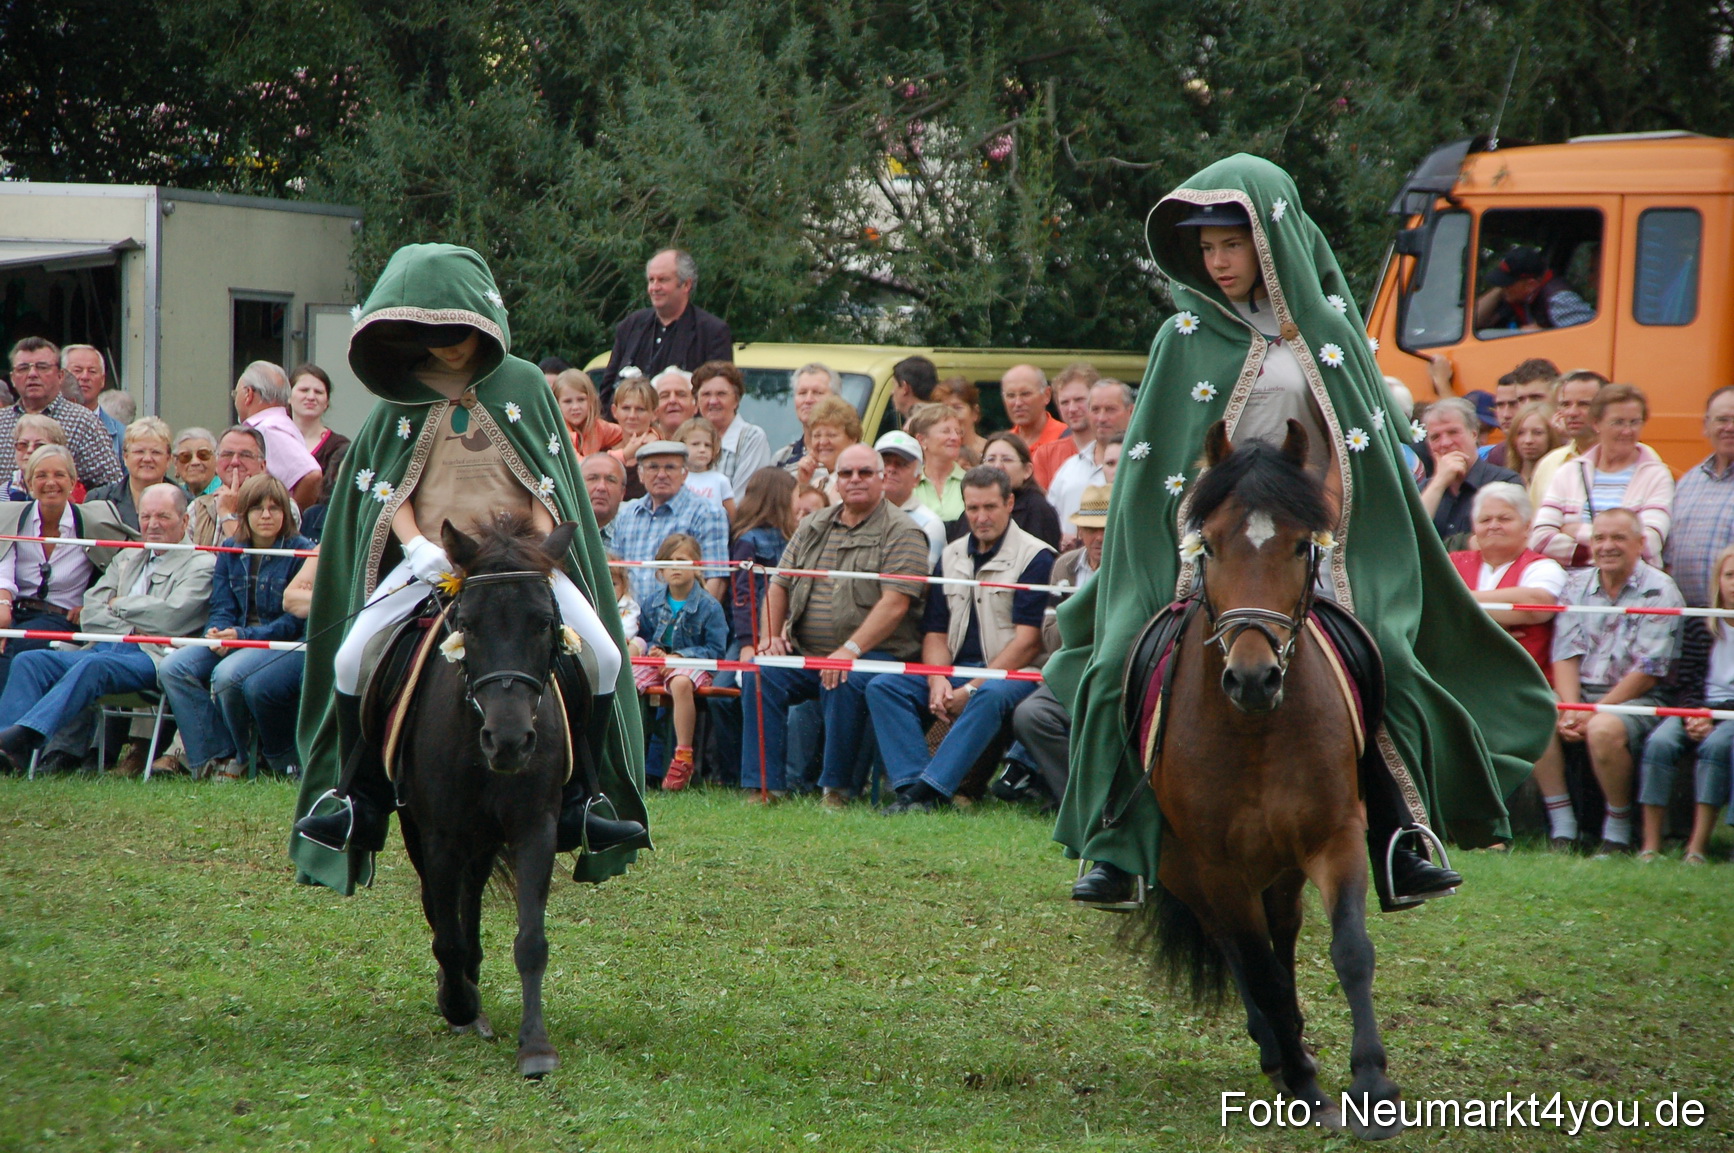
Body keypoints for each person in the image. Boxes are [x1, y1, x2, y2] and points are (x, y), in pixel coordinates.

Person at [1053, 157, 1554, 911]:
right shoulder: (1180, 336)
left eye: (1232, 244)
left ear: (1270, 237)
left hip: (1313, 539)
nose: (1217, 262)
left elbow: (1359, 450)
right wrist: (1195, 537)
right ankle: (1115, 847)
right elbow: (1158, 458)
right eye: (1208, 248)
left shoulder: (1328, 333)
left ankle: (1400, 838)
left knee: (1386, 655)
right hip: (1205, 541)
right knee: (1120, 658)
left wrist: (1323, 525)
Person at [291, 242, 645, 896]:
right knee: (349, 659)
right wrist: (418, 548)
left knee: (605, 655)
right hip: (431, 562)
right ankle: (355, 799)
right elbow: (382, 488)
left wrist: (538, 554)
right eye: (431, 331)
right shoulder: (398, 392)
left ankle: (587, 802)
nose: (449, 345)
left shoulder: (524, 385)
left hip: (519, 566)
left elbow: (549, 485)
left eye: (459, 329)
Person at [741, 443, 929, 802]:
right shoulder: (813, 524)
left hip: (877, 654)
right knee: (759, 670)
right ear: (836, 482)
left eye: (864, 473)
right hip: (808, 651)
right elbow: (779, 583)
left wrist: (849, 650)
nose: (854, 480)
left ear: (881, 478)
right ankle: (763, 787)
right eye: (846, 473)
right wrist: (770, 637)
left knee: (842, 676)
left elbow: (896, 603)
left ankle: (837, 790)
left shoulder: (902, 531)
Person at [868, 466, 1054, 812]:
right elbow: (936, 632)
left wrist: (969, 688)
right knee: (883, 686)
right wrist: (937, 679)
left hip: (1017, 673)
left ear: (1010, 503)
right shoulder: (951, 555)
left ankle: (932, 791)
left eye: (990, 507)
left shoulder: (1037, 557)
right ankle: (911, 786)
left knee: (987, 695)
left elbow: (1029, 642)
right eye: (972, 508)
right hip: (956, 668)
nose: (981, 517)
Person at [0, 484, 213, 773]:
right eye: (146, 517)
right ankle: (8, 753)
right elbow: (91, 608)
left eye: (163, 517)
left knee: (94, 666)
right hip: (102, 646)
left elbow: (171, 617)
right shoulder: (128, 556)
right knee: (30, 661)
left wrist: (119, 604)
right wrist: (133, 616)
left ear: (184, 520)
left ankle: (24, 734)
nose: (152, 525)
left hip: (150, 656)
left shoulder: (201, 563)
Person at [155, 474, 314, 781]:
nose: (266, 515)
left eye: (274, 508)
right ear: (243, 514)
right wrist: (216, 631)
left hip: (276, 642)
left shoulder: (301, 550)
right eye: (257, 508)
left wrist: (242, 636)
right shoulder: (231, 548)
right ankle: (215, 755)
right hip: (233, 636)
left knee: (227, 676)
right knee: (173, 667)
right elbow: (221, 605)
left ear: (286, 512)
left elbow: (293, 622)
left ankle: (242, 758)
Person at [1447, 482, 1575, 847]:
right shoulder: (1453, 563)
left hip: (1526, 679)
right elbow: (1433, 606)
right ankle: (1475, 825)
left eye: (1505, 518)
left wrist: (1464, 603)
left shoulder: (1542, 566)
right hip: (1460, 680)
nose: (1493, 525)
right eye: (1485, 519)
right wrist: (1499, 615)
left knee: (1533, 714)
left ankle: (1562, 819)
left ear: (1526, 525)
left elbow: (1534, 605)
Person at [1553, 508, 1684, 856]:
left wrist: (1594, 711)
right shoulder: (1574, 584)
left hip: (1639, 698)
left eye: (1618, 538)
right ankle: (1562, 827)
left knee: (1603, 730)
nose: (1607, 546)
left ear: (1640, 543)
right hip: (1582, 695)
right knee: (1535, 714)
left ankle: (1618, 828)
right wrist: (1570, 708)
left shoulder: (1661, 590)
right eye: (1599, 538)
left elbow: (1649, 670)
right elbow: (1565, 652)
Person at [999, 482, 1111, 810]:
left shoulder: (1129, 566)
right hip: (1069, 668)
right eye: (1090, 528)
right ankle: (1075, 801)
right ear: (1078, 529)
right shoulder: (1063, 565)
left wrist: (1075, 627)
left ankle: (1101, 798)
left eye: (1105, 528)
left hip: (1112, 670)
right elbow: (1048, 635)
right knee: (1030, 715)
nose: (1098, 537)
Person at [0, 444, 130, 697]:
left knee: (20, 649)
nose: (51, 483)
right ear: (28, 483)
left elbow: (123, 568)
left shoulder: (96, 523)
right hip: (14, 612)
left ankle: (11, 731)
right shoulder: (11, 519)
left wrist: (93, 606)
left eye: (59, 475)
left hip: (62, 620)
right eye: (41, 475)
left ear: (73, 482)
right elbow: (3, 569)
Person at [1637, 544, 1734, 862]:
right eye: (1730, 575)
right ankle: (1651, 844)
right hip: (1697, 707)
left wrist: (1712, 716)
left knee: (1716, 747)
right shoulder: (1698, 622)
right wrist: (1694, 713)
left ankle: (1697, 846)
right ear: (1717, 581)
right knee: (1659, 742)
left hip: (1728, 715)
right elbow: (1686, 680)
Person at [712, 467, 800, 787]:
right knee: (722, 694)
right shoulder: (747, 541)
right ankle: (732, 774)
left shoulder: (799, 536)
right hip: (750, 634)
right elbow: (743, 595)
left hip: (789, 631)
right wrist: (749, 641)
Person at [1531, 383, 1674, 567]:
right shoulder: (1568, 472)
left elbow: (1649, 545)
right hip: (1574, 590)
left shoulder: (1657, 475)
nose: (1627, 431)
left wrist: (1576, 531)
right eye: (1618, 422)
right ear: (1596, 423)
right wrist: (1618, 547)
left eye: (1634, 422)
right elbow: (1540, 540)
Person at [629, 533, 728, 791]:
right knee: (626, 679)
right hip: (659, 666)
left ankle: (683, 755)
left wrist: (680, 658)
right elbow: (648, 637)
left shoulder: (710, 607)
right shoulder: (651, 602)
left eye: (682, 560)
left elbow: (716, 650)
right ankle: (629, 749)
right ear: (660, 569)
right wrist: (655, 652)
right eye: (669, 561)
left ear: (697, 566)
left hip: (694, 666)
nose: (675, 566)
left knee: (681, 682)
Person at [597, 249, 733, 410]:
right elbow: (606, 393)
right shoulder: (630, 326)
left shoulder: (712, 332)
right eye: (651, 280)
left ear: (686, 285)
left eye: (662, 280)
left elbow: (718, 402)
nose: (654, 287)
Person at [613, 440, 730, 605]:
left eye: (670, 467)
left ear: (684, 474)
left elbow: (716, 579)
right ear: (640, 474)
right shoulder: (626, 514)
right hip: (629, 621)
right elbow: (615, 575)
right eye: (653, 467)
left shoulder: (707, 513)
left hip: (681, 623)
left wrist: (689, 622)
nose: (661, 474)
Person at [3, 338, 123, 488]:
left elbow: (111, 488)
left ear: (60, 375)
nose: (32, 374)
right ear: (13, 378)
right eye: (23, 368)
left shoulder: (84, 422)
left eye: (42, 367)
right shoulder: (2, 422)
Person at [1661, 386, 1734, 608]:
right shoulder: (1688, 483)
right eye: (1722, 419)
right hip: (1688, 619)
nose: (1729, 428)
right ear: (1706, 425)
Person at [1417, 396, 1521, 548]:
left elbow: (1496, 542)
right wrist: (1438, 483)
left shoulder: (1505, 482)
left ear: (1474, 434)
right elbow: (1409, 540)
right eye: (1435, 437)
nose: (1445, 443)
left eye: (1453, 432)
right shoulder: (1424, 490)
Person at [1046, 379, 1133, 539]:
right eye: (1095, 410)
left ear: (1131, 411)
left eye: (1110, 409)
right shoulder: (1069, 468)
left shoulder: (1141, 467)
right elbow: (1048, 521)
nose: (1101, 418)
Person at [232, 362, 323, 510]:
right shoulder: (276, 425)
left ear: (248, 394)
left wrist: (290, 518)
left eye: (236, 394)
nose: (235, 401)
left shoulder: (267, 429)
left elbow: (312, 474)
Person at [1527, 370, 1609, 504]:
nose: (1572, 412)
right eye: (1566, 404)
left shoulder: (1636, 457)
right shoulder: (1549, 464)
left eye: (1584, 404)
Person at [1474, 246, 1595, 333]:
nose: (1503, 287)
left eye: (1507, 283)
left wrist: (1544, 335)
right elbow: (1471, 322)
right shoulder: (1517, 296)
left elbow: (1591, 339)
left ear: (1530, 285)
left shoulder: (1559, 299)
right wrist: (1499, 290)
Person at [85, 416, 174, 529]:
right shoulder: (99, 499)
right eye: (139, 452)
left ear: (168, 459)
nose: (147, 458)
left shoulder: (186, 503)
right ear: (125, 457)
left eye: (156, 452)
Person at [692, 361, 771, 488]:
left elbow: (744, 498)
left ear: (736, 400)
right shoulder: (687, 438)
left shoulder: (751, 438)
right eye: (706, 394)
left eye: (721, 394)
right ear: (697, 401)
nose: (713, 401)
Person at [874, 432, 945, 569]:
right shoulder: (850, 511)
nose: (891, 469)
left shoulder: (929, 524)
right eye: (885, 462)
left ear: (917, 478)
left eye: (901, 464)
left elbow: (920, 583)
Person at [191, 427, 271, 547]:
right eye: (227, 454)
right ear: (217, 463)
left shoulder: (280, 507)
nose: (235, 462)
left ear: (262, 466)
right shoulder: (198, 507)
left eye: (245, 455)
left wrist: (227, 513)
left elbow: (248, 558)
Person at [979, 432, 1062, 549]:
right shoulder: (974, 505)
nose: (997, 466)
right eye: (991, 459)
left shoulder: (1037, 509)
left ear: (1027, 470)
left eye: (1007, 460)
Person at [1031, 363, 1102, 489]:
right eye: (1064, 402)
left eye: (1079, 400)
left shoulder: (1115, 449)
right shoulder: (1045, 455)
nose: (1072, 409)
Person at [289, 364, 352, 505]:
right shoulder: (273, 439)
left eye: (318, 392)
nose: (311, 397)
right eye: (304, 390)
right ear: (288, 396)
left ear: (327, 402)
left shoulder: (340, 447)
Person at [1484, 358, 1559, 468]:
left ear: (1557, 397)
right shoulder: (1499, 455)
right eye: (1521, 400)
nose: (1527, 406)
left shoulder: (1575, 445)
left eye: (1536, 398)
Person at [61, 344, 125, 457]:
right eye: (77, 370)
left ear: (102, 380)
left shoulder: (121, 435)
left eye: (92, 371)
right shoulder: (43, 426)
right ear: (60, 376)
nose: (85, 377)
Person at [772, 363, 837, 470]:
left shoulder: (857, 456)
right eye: (802, 393)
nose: (808, 400)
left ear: (836, 400)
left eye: (817, 393)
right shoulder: (782, 459)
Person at [794, 395, 861, 498]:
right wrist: (803, 482)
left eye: (831, 435)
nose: (823, 442)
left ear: (852, 439)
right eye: (817, 435)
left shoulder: (859, 482)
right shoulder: (818, 484)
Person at [908, 402, 966, 520]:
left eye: (958, 432)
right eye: (946, 431)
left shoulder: (972, 481)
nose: (955, 438)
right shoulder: (908, 485)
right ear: (922, 440)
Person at [608, 375, 660, 501]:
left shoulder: (660, 452)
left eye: (640, 409)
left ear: (654, 414)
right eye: (626, 408)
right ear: (615, 411)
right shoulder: (604, 448)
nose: (632, 415)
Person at [7, 414, 81, 502]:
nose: (30, 450)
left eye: (39, 445)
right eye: (23, 444)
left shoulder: (77, 494)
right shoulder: (3, 492)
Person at [675, 416, 737, 521]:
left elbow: (732, 516)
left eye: (708, 445)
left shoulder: (720, 480)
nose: (702, 449)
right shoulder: (676, 479)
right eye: (695, 444)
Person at [553, 368, 621, 458]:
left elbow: (626, 432)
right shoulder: (556, 431)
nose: (575, 407)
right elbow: (579, 466)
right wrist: (624, 454)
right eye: (568, 401)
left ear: (591, 400)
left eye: (581, 399)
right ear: (557, 404)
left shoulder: (598, 427)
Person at [1000, 364, 1065, 452]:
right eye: (1011, 395)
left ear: (1047, 395)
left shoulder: (1065, 438)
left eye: (1025, 394)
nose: (1018, 403)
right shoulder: (1003, 444)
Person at [1504, 401, 1564, 490]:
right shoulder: (1504, 479)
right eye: (1521, 433)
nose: (1528, 440)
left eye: (1537, 433)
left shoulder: (1563, 478)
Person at [931, 376, 986, 464]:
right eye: (943, 408)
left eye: (957, 408)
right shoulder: (933, 453)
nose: (950, 415)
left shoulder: (991, 452)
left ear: (975, 412)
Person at [582, 451, 628, 549]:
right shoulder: (560, 528)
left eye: (611, 480)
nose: (601, 487)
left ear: (622, 493)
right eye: (593, 478)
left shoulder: (631, 533)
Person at [172, 428, 221, 498]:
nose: (194, 462)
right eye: (185, 456)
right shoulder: (172, 498)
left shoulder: (230, 495)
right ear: (176, 465)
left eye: (203, 455)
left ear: (216, 460)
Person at [888, 355, 938, 424]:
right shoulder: (944, 419)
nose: (892, 392)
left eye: (894, 385)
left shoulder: (920, 426)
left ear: (905, 388)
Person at [652, 367, 697, 438]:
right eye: (664, 396)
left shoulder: (709, 443)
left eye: (681, 395)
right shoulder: (642, 445)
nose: (672, 400)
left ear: (695, 406)